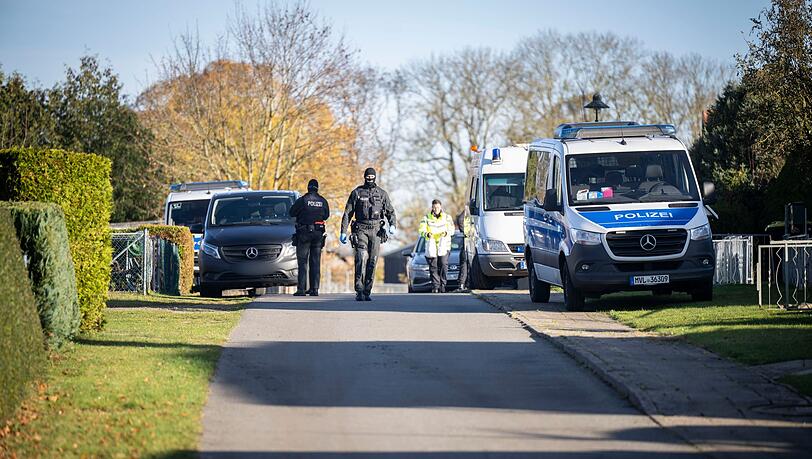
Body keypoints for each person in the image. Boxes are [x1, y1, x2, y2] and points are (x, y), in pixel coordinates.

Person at [340, 167, 396, 301]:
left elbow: (390, 212)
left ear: (375, 177)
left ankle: (367, 290)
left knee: (372, 261)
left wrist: (392, 224)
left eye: (372, 177)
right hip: (361, 229)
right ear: (364, 177)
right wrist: (343, 231)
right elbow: (348, 213)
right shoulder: (357, 193)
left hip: (376, 230)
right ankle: (359, 290)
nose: (369, 179)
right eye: (367, 177)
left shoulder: (382, 194)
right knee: (360, 258)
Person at [289, 179, 329, 296]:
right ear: (317, 188)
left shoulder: (302, 200)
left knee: (302, 262)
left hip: (304, 233)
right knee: (315, 262)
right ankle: (314, 289)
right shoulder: (323, 201)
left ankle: (301, 289)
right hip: (318, 234)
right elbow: (326, 216)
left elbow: (291, 212)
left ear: (308, 188)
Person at [418, 199, 455, 293]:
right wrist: (427, 234)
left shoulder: (447, 217)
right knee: (433, 267)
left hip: (444, 246)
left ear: (441, 207)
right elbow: (421, 230)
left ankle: (443, 285)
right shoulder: (426, 218)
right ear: (432, 207)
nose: (436, 209)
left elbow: (452, 229)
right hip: (432, 246)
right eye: (434, 207)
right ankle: (435, 286)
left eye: (438, 207)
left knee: (443, 264)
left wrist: (446, 233)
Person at [452, 209, 471, 293]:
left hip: (470, 240)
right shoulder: (469, 209)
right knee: (464, 263)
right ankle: (462, 285)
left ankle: (463, 284)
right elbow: (460, 219)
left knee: (465, 263)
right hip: (469, 241)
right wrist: (467, 232)